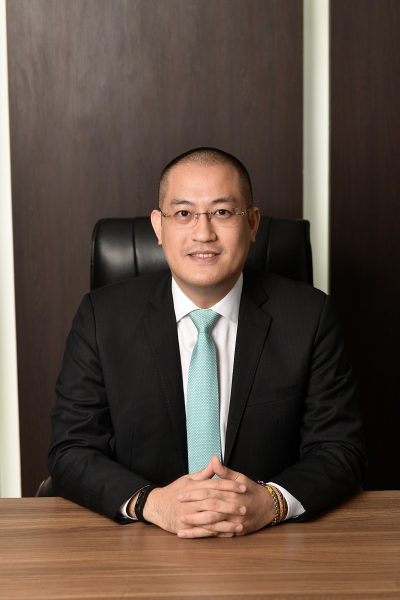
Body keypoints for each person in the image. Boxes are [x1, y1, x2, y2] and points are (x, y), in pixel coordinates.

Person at [48, 148, 366, 538]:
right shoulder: (102, 317)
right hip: (143, 541)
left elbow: (340, 449)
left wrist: (271, 503)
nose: (203, 233)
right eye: (184, 213)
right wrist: (152, 504)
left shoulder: (308, 316)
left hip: (267, 541)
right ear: (159, 226)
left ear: (252, 223)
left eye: (222, 212)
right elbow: (71, 450)